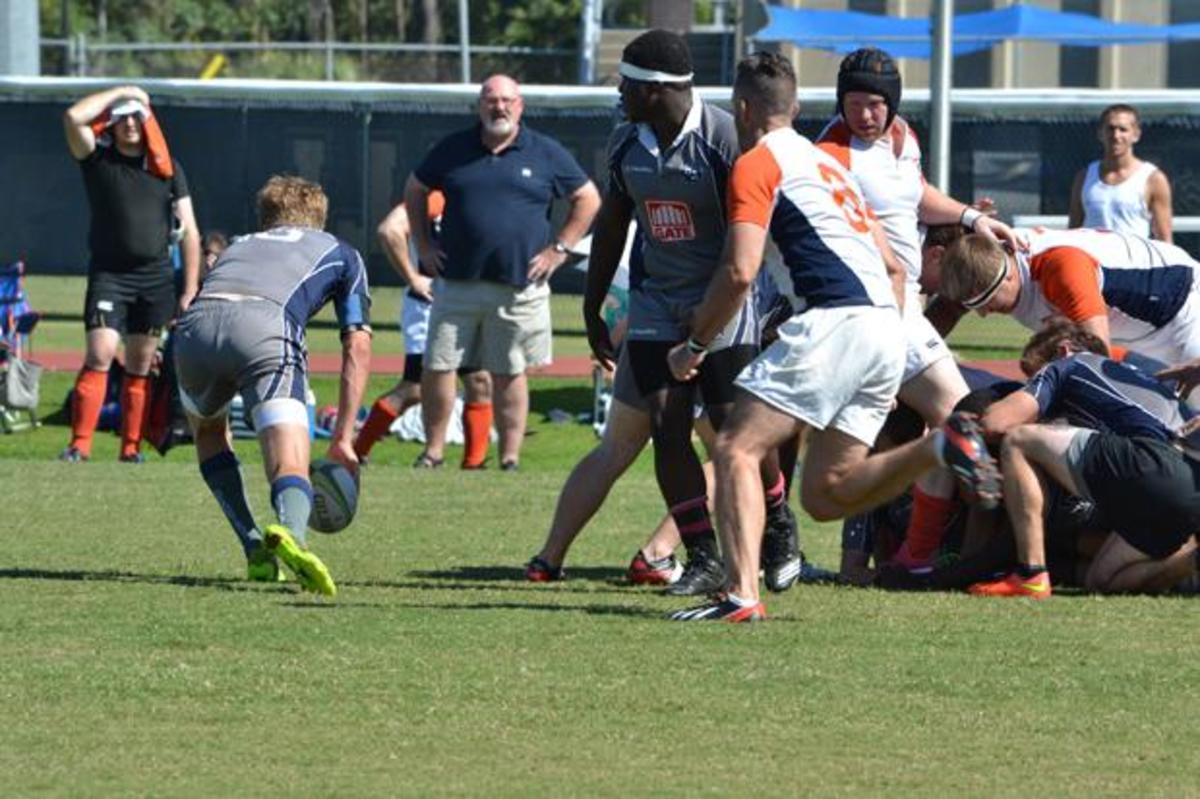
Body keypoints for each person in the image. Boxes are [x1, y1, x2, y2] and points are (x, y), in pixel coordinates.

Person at [665, 52, 999, 622]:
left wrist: (695, 344)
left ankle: (741, 596)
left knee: (735, 448)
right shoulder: (833, 168)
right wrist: (884, 348)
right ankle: (938, 446)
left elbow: (740, 272)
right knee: (826, 494)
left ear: (742, 109)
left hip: (835, 319)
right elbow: (895, 268)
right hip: (886, 325)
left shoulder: (757, 164)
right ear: (794, 108)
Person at [576, 30, 800, 597]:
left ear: (653, 90)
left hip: (724, 298)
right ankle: (701, 555)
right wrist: (592, 301)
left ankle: (777, 516)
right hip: (657, 298)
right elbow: (613, 223)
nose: (619, 94)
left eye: (625, 84)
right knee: (664, 422)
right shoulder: (628, 141)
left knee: (732, 425)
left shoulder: (726, 137)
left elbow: (756, 232)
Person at [815, 47, 1023, 573]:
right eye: (854, 103)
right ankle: (905, 555)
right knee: (806, 442)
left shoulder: (903, 137)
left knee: (943, 420)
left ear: (893, 105)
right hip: (864, 312)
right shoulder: (829, 155)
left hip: (904, 309)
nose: (864, 114)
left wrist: (973, 218)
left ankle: (905, 556)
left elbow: (916, 196)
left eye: (875, 104)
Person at [173, 176, 372, 596]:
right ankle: (293, 537)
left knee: (209, 432)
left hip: (193, 330)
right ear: (320, 218)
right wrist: (343, 436)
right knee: (289, 462)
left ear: (264, 219)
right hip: (263, 328)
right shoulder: (340, 251)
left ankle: (251, 544)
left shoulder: (240, 244)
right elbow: (357, 344)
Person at [405, 74, 600, 471]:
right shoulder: (453, 148)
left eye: (507, 100)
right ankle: (433, 452)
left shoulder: (545, 151)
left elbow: (588, 198)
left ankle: (509, 458)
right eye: (491, 100)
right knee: (438, 367)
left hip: (519, 287)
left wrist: (559, 249)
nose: (499, 107)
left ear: (520, 106)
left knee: (509, 372)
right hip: (457, 282)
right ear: (480, 105)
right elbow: (414, 189)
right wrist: (424, 246)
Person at [969, 321, 1199, 598]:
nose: (1031, 386)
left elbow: (997, 423)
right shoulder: (1139, 377)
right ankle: (1192, 561)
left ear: (1063, 350)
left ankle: (1031, 574)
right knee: (1101, 580)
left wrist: (979, 412)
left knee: (1018, 441)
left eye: (1032, 377)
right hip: (1185, 482)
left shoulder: (1070, 364)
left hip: (1160, 462)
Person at [61, 85, 201, 463]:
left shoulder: (168, 169)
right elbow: (73, 117)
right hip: (109, 275)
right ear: (112, 122)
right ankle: (80, 446)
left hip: (154, 280)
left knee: (141, 364)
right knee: (101, 353)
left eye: (136, 117)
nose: (129, 125)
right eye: (122, 118)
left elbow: (190, 232)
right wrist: (124, 91)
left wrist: (189, 289)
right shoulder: (98, 159)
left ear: (148, 123)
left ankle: (131, 448)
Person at [353, 192, 493, 467]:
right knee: (415, 388)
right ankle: (356, 451)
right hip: (429, 306)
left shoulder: (485, 192)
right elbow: (389, 230)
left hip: (468, 304)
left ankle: (474, 465)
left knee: (479, 381)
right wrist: (413, 277)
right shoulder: (437, 195)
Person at [939, 227, 1200, 368]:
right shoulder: (986, 257)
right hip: (1136, 334)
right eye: (972, 305)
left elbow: (1099, 357)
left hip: (1184, 312)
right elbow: (946, 310)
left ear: (1007, 275)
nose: (983, 313)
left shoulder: (1062, 270)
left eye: (987, 300)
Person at [1069, 104, 1173, 242]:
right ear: (1100, 133)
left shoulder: (1153, 179)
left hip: (1135, 262)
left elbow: (1165, 238)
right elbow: (1073, 232)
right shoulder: (1084, 177)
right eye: (1110, 129)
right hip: (1094, 262)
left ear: (1136, 135)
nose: (1116, 135)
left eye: (1123, 129)